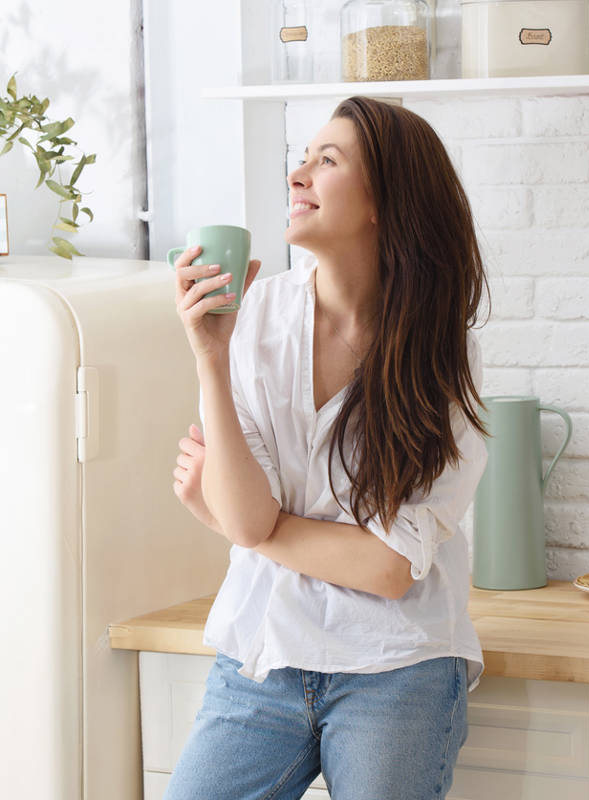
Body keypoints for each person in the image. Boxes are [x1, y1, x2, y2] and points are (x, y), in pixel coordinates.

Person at [166, 96, 489, 800]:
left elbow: (389, 569)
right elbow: (256, 523)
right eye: (302, 156)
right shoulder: (253, 321)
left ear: (384, 203)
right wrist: (210, 357)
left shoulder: (442, 358)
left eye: (327, 160)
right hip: (263, 657)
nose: (297, 174)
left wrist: (234, 522)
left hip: (396, 666)